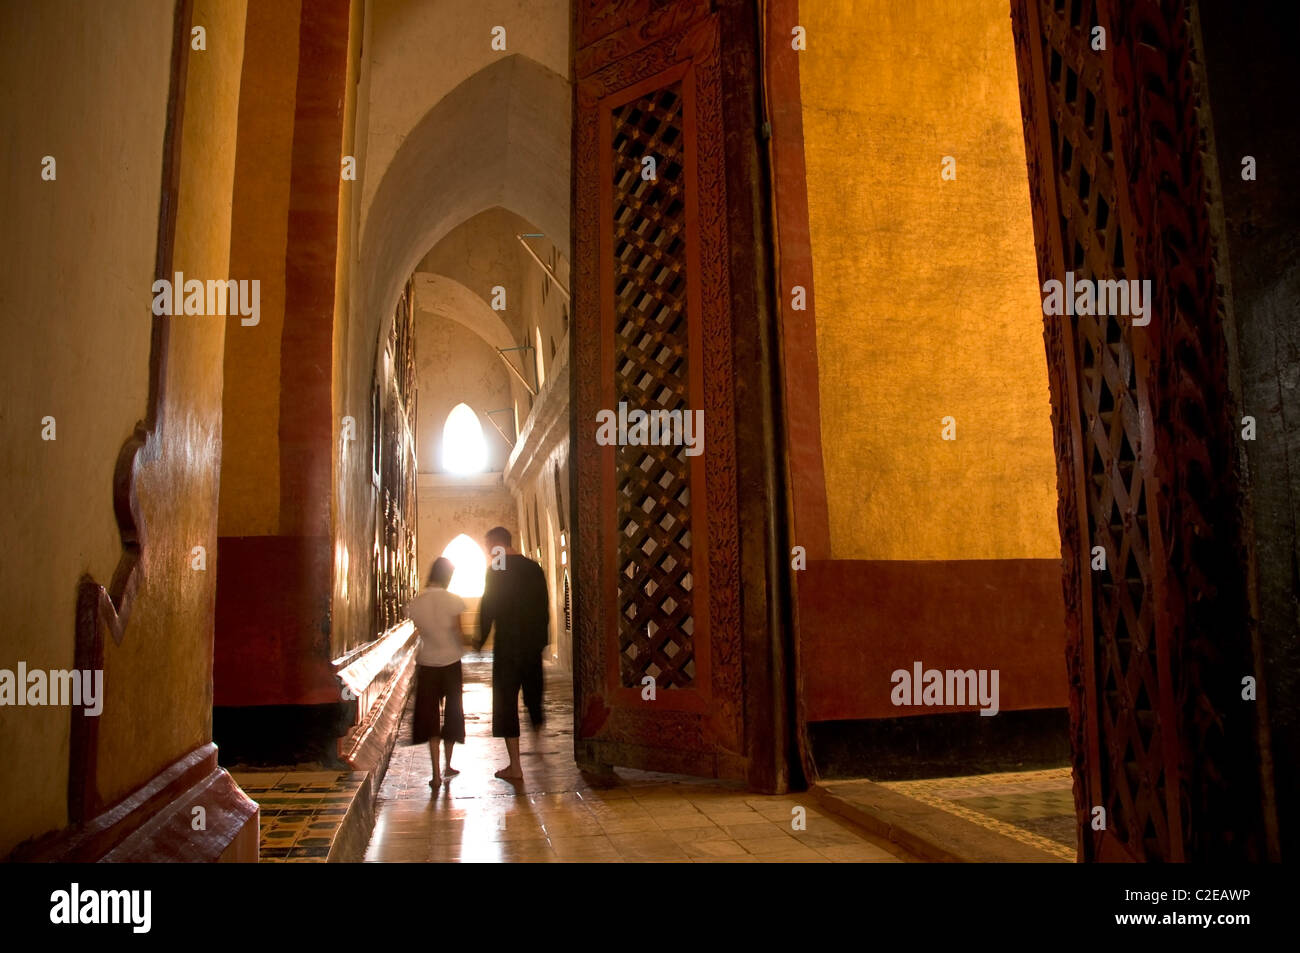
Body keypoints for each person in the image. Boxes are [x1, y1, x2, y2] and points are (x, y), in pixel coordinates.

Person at [474, 526, 549, 780]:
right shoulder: (534, 568)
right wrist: (541, 642)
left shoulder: (496, 570)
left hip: (507, 646)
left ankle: (515, 766)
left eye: (488, 547)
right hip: (531, 646)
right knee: (533, 696)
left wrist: (480, 639)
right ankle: (539, 747)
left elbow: (488, 607)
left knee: (506, 703)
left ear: (496, 544)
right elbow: (543, 607)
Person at [406, 557, 467, 789]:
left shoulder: (416, 603)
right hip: (451, 663)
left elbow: (420, 630)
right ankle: (448, 765)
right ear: (447, 577)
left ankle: (435, 774)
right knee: (451, 714)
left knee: (430, 718)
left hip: (427, 663)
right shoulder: (453, 601)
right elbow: (458, 632)